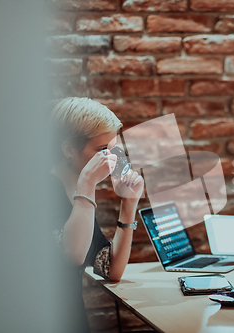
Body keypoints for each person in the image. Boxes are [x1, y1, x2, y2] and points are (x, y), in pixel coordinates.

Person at [50, 97, 144, 332]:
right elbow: (73, 255)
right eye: (102, 150)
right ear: (69, 149)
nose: (111, 160)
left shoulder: (79, 194)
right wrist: (88, 183)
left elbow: (109, 268)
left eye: (113, 150)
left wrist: (129, 203)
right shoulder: (42, 189)